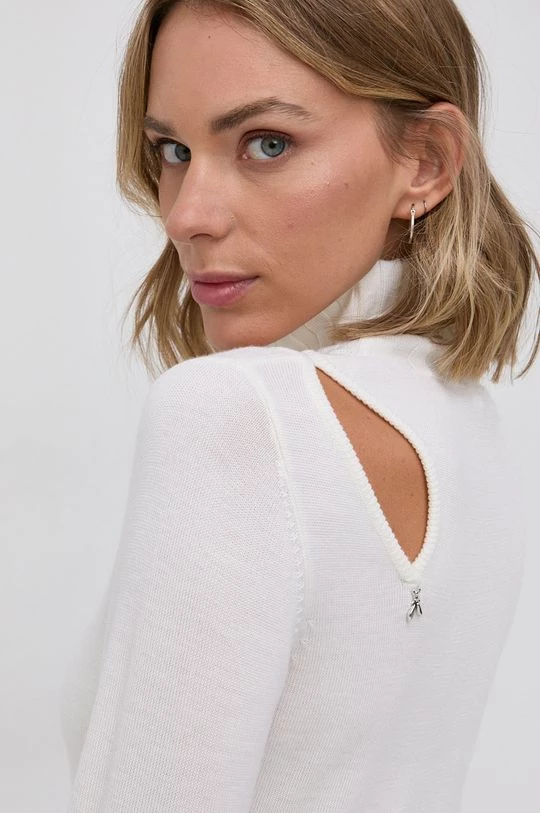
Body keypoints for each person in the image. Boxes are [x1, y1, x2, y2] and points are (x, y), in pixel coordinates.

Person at [61, 1, 539, 811]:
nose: (185, 215)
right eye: (173, 150)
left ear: (426, 161)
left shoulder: (235, 413)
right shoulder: (472, 423)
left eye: (268, 144)